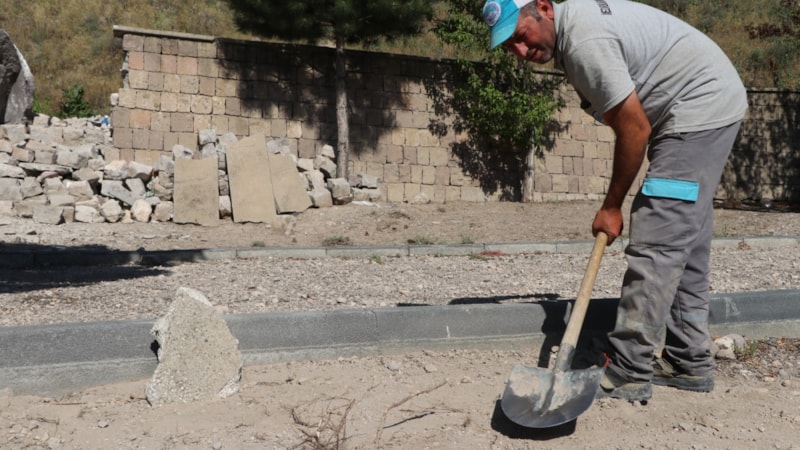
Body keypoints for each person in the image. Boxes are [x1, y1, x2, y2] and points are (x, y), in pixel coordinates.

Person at [482, 0, 748, 402]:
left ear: (542, 8)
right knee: (684, 241)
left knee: (659, 232)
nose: (520, 52)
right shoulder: (575, 30)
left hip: (697, 106)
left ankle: (629, 368)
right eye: (508, 47)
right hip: (704, 104)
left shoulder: (585, 41)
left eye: (521, 36)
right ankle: (688, 360)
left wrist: (611, 206)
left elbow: (634, 129)